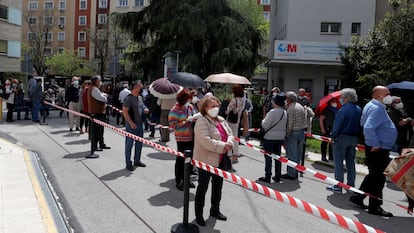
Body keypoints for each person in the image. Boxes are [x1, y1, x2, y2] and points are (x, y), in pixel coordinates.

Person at [349, 86, 397, 217]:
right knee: (379, 178)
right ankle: (375, 206)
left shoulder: (372, 105)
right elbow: (369, 128)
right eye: (386, 93)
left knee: (374, 175)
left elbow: (364, 123)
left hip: (376, 147)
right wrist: (375, 143)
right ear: (378, 95)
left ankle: (357, 197)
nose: (389, 95)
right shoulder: (376, 108)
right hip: (378, 148)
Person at [194, 96, 234, 226]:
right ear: (205, 108)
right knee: (203, 187)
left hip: (221, 159)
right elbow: (204, 140)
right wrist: (223, 146)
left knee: (218, 186)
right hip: (205, 159)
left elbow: (230, 134)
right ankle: (199, 215)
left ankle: (215, 210)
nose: (215, 109)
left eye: (217, 106)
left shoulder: (221, 120)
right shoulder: (202, 121)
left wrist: (229, 142)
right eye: (212, 106)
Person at [326, 88, 361, 193]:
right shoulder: (359, 109)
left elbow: (337, 125)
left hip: (341, 137)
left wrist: (333, 136)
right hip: (354, 137)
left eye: (341, 97)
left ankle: (338, 185)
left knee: (339, 162)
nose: (340, 99)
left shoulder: (343, 110)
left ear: (346, 98)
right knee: (351, 162)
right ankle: (351, 185)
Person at [168, 89, 197, 190]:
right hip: (181, 138)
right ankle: (179, 180)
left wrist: (194, 118)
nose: (189, 101)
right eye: (188, 99)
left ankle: (187, 180)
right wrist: (185, 121)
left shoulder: (190, 107)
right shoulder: (175, 109)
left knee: (189, 160)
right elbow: (173, 125)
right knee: (180, 160)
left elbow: (194, 115)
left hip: (191, 137)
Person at [258, 94, 287, 183]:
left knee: (268, 157)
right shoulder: (284, 112)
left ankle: (268, 176)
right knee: (278, 157)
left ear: (275, 102)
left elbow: (265, 125)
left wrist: (263, 120)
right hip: (280, 137)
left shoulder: (272, 112)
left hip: (270, 137)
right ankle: (277, 176)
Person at [122, 81, 149, 171]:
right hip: (131, 125)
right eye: (139, 86)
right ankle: (128, 163)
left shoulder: (140, 98)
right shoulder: (129, 98)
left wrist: (145, 109)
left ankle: (137, 160)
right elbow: (125, 111)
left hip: (140, 125)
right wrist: (130, 123)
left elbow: (142, 106)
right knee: (129, 145)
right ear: (134, 87)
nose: (141, 88)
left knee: (139, 144)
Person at [282, 91, 307, 180]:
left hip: (293, 132)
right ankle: (296, 171)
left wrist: (286, 135)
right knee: (298, 154)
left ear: (288, 99)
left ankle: (291, 174)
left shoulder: (291, 109)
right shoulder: (300, 106)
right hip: (301, 131)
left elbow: (290, 124)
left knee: (291, 154)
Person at [86, 75, 111, 159]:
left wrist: (103, 95)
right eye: (99, 80)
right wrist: (105, 97)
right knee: (96, 131)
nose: (100, 82)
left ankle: (99, 144)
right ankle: (94, 147)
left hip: (98, 112)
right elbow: (102, 98)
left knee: (99, 130)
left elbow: (101, 95)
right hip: (96, 113)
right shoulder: (94, 89)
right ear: (96, 81)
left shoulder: (94, 88)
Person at [225, 85, 245, 163]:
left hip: (230, 121)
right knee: (235, 137)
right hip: (237, 120)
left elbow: (227, 110)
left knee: (228, 136)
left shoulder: (233, 100)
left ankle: (229, 154)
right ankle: (235, 155)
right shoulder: (243, 101)